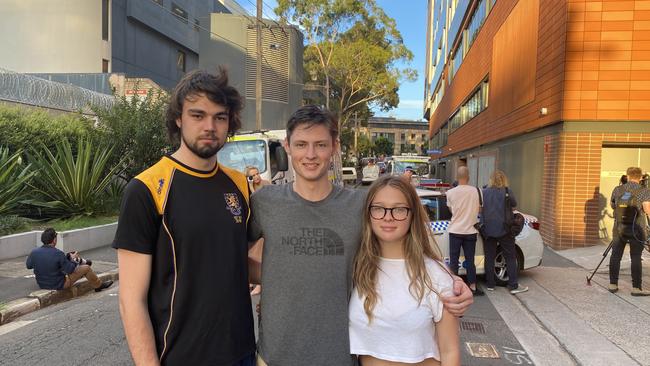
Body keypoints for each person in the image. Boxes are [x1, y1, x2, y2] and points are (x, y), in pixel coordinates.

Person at [248, 105, 473, 366]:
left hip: (340, 357)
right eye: (301, 144)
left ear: (334, 146)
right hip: (273, 356)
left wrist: (451, 282)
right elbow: (235, 259)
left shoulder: (360, 206)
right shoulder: (264, 202)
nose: (310, 154)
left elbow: (401, 248)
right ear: (287, 146)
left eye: (320, 144)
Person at [112, 69, 256, 365]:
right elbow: (131, 300)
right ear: (179, 118)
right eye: (198, 115)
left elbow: (242, 264)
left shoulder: (240, 185)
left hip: (241, 353)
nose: (210, 126)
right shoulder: (147, 189)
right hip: (181, 357)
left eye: (220, 117)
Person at [350, 176, 460, 366]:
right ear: (368, 214)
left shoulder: (435, 275)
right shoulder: (358, 267)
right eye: (378, 208)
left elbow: (450, 352)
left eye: (399, 209)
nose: (388, 216)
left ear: (412, 215)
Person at [481, 170, 528, 294]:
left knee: (489, 257)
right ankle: (513, 285)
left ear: (490, 180)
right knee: (510, 257)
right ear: (504, 179)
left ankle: (490, 284)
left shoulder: (484, 192)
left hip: (488, 229)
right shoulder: (507, 191)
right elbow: (514, 204)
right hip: (505, 230)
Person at [26, 228, 112, 292]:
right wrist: (74, 259)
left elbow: (29, 266)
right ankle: (98, 286)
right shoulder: (58, 253)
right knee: (86, 268)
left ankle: (95, 283)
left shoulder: (34, 252)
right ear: (54, 240)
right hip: (59, 284)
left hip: (41, 284)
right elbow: (70, 270)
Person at [608, 167, 650, 296]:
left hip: (619, 227)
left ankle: (613, 284)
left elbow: (612, 205)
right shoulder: (644, 190)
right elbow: (647, 209)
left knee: (616, 255)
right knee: (636, 257)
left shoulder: (618, 189)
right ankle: (636, 288)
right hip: (636, 228)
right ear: (641, 177)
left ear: (627, 176)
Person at [446, 166, 483, 296]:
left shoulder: (450, 193)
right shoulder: (477, 191)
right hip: (470, 231)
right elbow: (479, 210)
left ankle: (454, 288)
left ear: (457, 177)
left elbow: (451, 211)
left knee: (454, 260)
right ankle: (472, 286)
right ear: (468, 177)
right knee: (470, 260)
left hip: (455, 230)